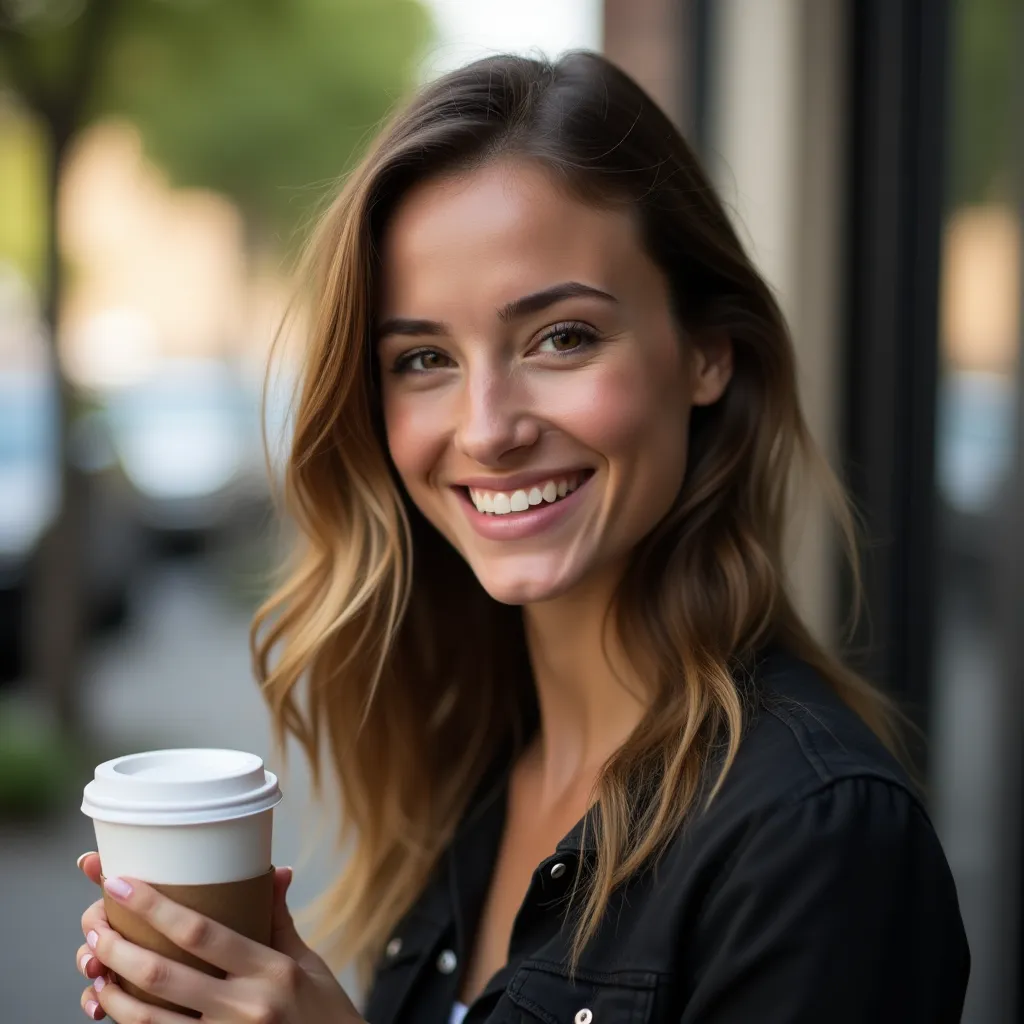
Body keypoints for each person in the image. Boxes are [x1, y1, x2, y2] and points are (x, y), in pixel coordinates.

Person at [73, 50, 970, 1023]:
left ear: (708, 353)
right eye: (424, 358)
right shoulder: (468, 773)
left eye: (562, 337)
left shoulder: (816, 834)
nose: (488, 428)